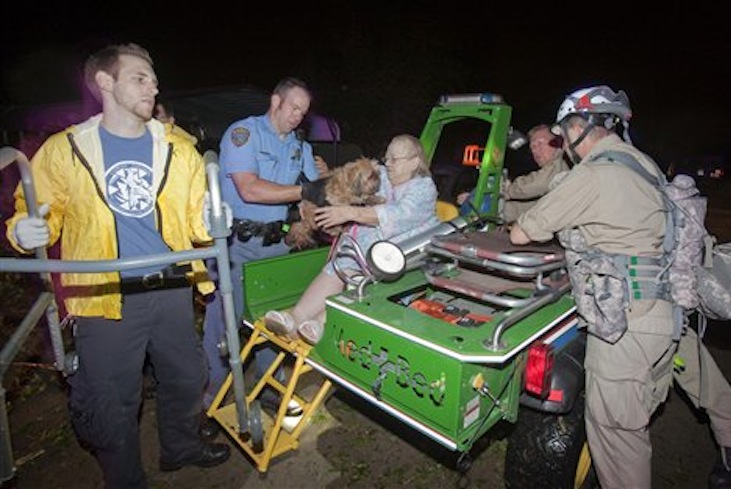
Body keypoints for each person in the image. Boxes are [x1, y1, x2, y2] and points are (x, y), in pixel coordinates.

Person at [509, 85, 731, 489]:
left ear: (580, 127)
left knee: (615, 431)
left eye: (564, 132)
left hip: (626, 322)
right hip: (668, 305)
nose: (563, 144)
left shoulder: (592, 173)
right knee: (689, 362)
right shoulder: (644, 165)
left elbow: (523, 233)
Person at [5, 43, 229, 488]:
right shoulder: (64, 150)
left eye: (154, 78)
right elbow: (33, 213)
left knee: (186, 378)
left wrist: (207, 220)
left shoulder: (179, 147)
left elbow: (195, 221)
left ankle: (180, 448)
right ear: (104, 83)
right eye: (140, 77)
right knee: (109, 398)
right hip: (101, 292)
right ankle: (124, 479)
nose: (154, 86)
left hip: (170, 285)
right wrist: (23, 231)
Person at [202, 77, 329, 423]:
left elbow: (316, 193)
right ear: (275, 101)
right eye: (293, 107)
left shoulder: (299, 146)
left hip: (276, 246)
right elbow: (250, 190)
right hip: (237, 247)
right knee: (224, 326)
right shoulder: (244, 134)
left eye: (303, 112)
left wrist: (325, 183)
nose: (297, 116)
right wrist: (305, 191)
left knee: (274, 324)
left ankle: (271, 388)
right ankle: (210, 397)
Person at [264, 134, 441, 344]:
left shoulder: (424, 188)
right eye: (387, 158)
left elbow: (399, 214)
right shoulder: (382, 174)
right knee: (340, 264)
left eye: (395, 159)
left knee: (363, 276)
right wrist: (325, 181)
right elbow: (348, 181)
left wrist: (349, 213)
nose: (389, 164)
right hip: (364, 246)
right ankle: (295, 317)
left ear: (415, 161)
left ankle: (320, 324)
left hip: (400, 257)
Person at [455, 124, 569, 222]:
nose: (535, 150)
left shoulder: (558, 167)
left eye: (540, 143)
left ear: (557, 142)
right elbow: (526, 208)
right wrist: (476, 199)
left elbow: (533, 185)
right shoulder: (547, 177)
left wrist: (506, 190)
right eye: (533, 147)